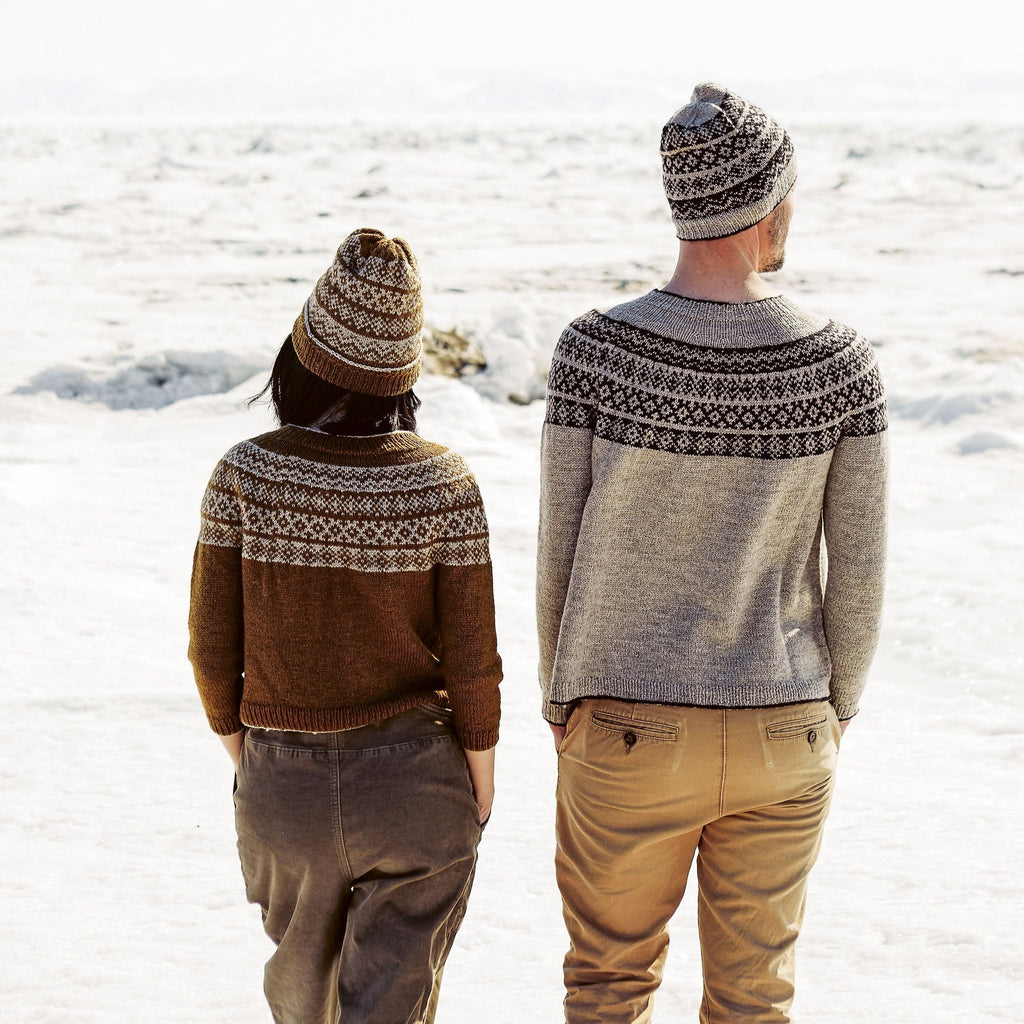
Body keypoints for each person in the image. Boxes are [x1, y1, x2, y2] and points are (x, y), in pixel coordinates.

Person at [537, 83, 887, 1023]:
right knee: (754, 1002)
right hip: (785, 722)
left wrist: (558, 695)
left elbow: (558, 549)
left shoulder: (596, 351)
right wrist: (836, 703)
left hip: (624, 723)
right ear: (765, 203)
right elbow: (858, 564)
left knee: (607, 989)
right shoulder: (840, 362)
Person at [188, 227, 502, 1024]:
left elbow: (210, 648)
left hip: (281, 787)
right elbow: (473, 662)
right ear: (403, 375)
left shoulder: (244, 473)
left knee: (301, 1005)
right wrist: (481, 782)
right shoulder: (444, 482)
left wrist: (251, 752)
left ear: (302, 356)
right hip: (415, 784)